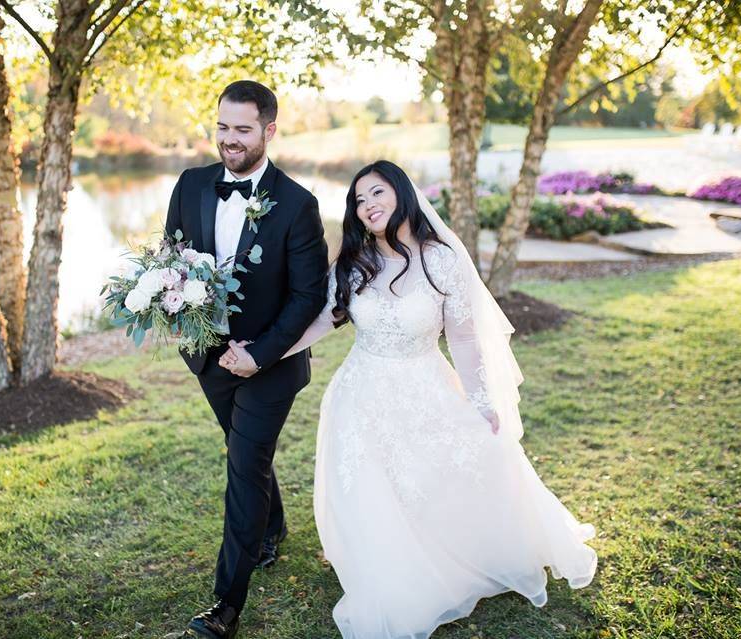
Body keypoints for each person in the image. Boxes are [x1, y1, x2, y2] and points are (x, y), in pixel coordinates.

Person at [223, 160, 597, 639]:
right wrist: (262, 354)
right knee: (375, 489)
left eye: (376, 193)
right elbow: (320, 321)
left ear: (402, 193)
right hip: (361, 393)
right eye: (359, 200)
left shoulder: (442, 259)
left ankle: (448, 553)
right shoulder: (354, 263)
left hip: (424, 384)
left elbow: (463, 338)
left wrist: (481, 400)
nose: (368, 206)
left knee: (434, 478)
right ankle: (386, 561)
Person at [165, 80, 329, 639]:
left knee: (242, 469)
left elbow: (308, 296)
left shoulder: (299, 204)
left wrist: (258, 355)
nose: (229, 140)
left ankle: (225, 606)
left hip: (272, 365)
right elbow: (173, 259)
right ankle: (272, 530)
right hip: (208, 359)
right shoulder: (189, 185)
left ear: (268, 131)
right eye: (222, 127)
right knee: (246, 453)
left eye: (242, 130)